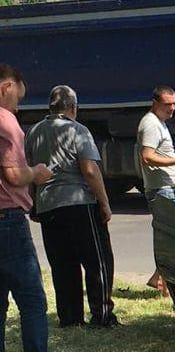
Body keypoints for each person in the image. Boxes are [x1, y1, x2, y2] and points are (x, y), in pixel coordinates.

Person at [0, 65, 73, 352]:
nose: (19, 103)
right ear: (6, 86)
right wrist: (38, 173)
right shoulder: (6, 122)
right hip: (9, 222)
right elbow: (14, 175)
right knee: (32, 303)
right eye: (18, 95)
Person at [26, 85, 117, 328]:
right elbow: (89, 170)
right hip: (79, 203)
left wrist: (34, 204)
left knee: (63, 264)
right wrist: (105, 202)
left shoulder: (33, 133)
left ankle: (70, 317)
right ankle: (102, 315)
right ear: (73, 108)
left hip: (48, 205)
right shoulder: (78, 130)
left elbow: (31, 171)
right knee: (97, 260)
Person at [138, 85, 175, 292]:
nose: (172, 108)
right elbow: (147, 156)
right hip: (162, 190)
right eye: (167, 104)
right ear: (155, 103)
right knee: (172, 240)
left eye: (174, 104)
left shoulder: (159, 122)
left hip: (169, 188)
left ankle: (159, 279)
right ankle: (168, 286)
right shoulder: (151, 124)